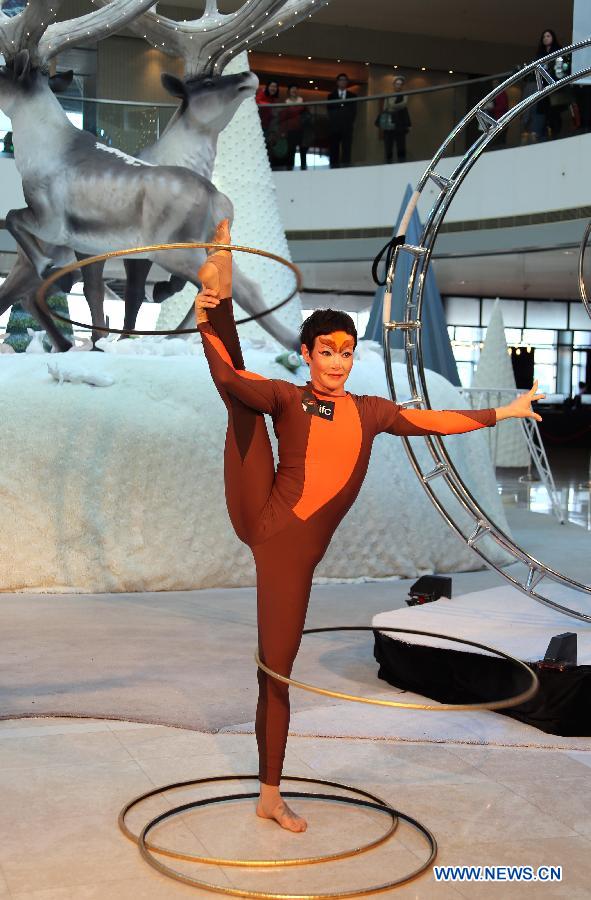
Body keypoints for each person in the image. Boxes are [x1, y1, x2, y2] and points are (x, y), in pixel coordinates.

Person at [196, 221, 544, 833]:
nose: (336, 361)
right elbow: (228, 378)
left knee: (275, 667)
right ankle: (215, 292)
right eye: (326, 350)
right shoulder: (287, 395)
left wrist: (501, 411)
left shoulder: (371, 412)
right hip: (263, 513)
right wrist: (206, 322)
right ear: (307, 355)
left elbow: (435, 420)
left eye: (346, 351)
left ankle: (269, 793)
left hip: (289, 556)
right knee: (240, 398)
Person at [377, 75, 411, 163]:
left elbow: (403, 104)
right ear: (394, 84)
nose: (398, 86)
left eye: (400, 84)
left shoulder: (404, 95)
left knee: (401, 147)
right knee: (388, 147)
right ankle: (388, 164)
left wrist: (392, 106)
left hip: (400, 123)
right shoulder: (389, 95)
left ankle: (402, 165)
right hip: (389, 124)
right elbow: (385, 108)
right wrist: (391, 106)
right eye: (397, 84)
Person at [326, 73, 357, 168]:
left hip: (347, 127)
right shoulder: (331, 96)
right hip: (334, 127)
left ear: (347, 82)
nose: (343, 82)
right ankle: (333, 170)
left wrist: (349, 122)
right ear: (337, 82)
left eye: (345, 80)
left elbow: (353, 112)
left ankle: (346, 170)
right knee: (334, 150)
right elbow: (330, 111)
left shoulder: (352, 96)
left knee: (346, 150)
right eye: (341, 80)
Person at [256, 81, 287, 169]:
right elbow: (258, 102)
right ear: (267, 87)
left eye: (275, 87)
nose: (273, 88)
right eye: (272, 86)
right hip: (259, 126)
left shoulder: (273, 99)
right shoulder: (262, 94)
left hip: (267, 126)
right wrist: (271, 105)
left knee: (267, 148)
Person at [284, 84, 308, 170]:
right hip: (290, 130)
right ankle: (290, 170)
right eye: (292, 89)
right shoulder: (286, 102)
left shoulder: (302, 100)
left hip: (302, 129)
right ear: (289, 91)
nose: (294, 91)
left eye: (295, 89)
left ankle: (303, 169)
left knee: (303, 150)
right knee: (291, 150)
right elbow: (285, 117)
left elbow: (306, 114)